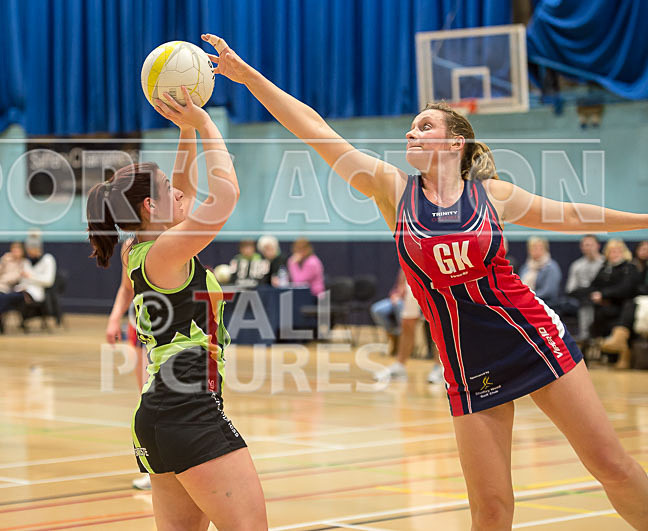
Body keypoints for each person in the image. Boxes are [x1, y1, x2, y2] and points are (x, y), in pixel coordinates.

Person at [203, 32, 648, 528]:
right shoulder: (392, 190)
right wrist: (247, 79)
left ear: (455, 142)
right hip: (464, 358)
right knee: (492, 506)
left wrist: (644, 220)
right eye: (411, 127)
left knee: (611, 465)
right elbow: (315, 129)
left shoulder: (492, 194)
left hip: (531, 337)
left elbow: (570, 214)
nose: (412, 133)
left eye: (425, 126)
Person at [86, 86, 266, 529]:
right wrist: (207, 125)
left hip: (158, 416)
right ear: (150, 206)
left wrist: (186, 128)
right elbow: (226, 196)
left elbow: (183, 189)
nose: (181, 191)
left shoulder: (139, 247)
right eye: (168, 188)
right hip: (189, 413)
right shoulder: (166, 252)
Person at [104, 236, 152, 491]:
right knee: (146, 400)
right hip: (140, 327)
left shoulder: (177, 236)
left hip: (173, 332)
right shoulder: (129, 245)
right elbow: (126, 288)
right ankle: (153, 470)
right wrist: (114, 319)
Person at [588, 239, 640, 368]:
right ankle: (601, 347)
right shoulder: (605, 268)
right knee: (597, 312)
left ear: (624, 252)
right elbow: (593, 286)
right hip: (606, 305)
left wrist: (604, 294)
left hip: (624, 304)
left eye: (617, 251)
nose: (614, 254)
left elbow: (626, 289)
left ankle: (620, 346)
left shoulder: (630, 267)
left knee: (627, 308)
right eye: (611, 251)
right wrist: (596, 295)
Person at [0, 235, 56, 334]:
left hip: (35, 293)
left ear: (37, 248)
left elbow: (48, 281)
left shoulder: (48, 259)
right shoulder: (27, 262)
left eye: (31, 248)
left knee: (5, 298)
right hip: (21, 290)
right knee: (2, 296)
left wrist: (31, 277)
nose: (29, 251)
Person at [565, 235, 604, 343]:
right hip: (581, 297)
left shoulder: (605, 264)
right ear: (581, 247)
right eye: (585, 245)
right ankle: (585, 337)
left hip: (602, 296)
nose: (588, 248)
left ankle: (594, 338)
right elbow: (570, 289)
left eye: (591, 244)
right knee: (585, 301)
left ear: (598, 246)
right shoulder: (577, 265)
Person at [518, 236, 562, 308]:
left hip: (546, 305)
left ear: (546, 249)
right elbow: (519, 286)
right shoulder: (525, 267)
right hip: (526, 304)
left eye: (540, 247)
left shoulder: (551, 267)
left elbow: (549, 291)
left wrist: (528, 297)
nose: (536, 250)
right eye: (533, 248)